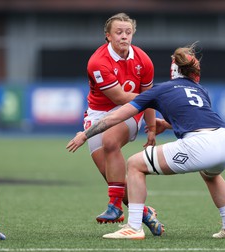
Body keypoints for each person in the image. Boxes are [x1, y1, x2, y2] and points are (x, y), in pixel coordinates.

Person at [67, 43, 225, 240]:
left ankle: (133, 227)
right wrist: (165, 125)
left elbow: (115, 117)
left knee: (134, 164)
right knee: (211, 176)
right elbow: (194, 118)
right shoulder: (201, 91)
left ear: (173, 69)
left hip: (200, 144)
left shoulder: (160, 89)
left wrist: (85, 134)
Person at [83, 12, 163, 235]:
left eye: (128, 32)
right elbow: (119, 96)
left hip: (130, 111)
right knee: (110, 175)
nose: (124, 36)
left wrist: (152, 128)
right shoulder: (98, 62)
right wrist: (151, 97)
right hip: (98, 114)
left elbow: (142, 100)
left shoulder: (143, 60)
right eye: (118, 32)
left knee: (110, 141)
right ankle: (145, 212)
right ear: (108, 36)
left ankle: (115, 207)